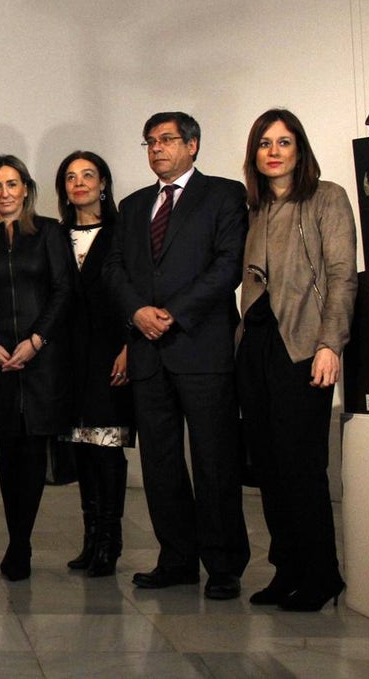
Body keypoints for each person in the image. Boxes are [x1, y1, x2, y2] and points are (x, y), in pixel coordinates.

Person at [103, 111, 250, 601]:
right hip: (148, 352)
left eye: (166, 139)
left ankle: (224, 564)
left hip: (202, 348)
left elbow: (228, 265)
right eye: (149, 141)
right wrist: (138, 312)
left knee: (214, 461)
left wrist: (170, 312)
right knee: (161, 462)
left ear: (193, 144)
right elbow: (115, 268)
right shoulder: (133, 204)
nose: (156, 149)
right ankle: (177, 559)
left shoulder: (225, 195)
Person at [235, 109, 357, 611]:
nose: (274, 151)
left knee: (301, 465)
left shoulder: (326, 197)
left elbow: (343, 275)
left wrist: (331, 344)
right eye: (265, 143)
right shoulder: (255, 208)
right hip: (256, 345)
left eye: (284, 142)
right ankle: (286, 570)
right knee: (267, 464)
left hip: (303, 345)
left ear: (300, 149)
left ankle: (322, 575)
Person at [0, 155, 73, 581]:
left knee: (33, 450)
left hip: (41, 358)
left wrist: (36, 341)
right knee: (9, 454)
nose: (4, 193)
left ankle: (20, 542)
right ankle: (17, 540)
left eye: (12, 184)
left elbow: (63, 291)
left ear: (26, 188)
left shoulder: (49, 233)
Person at [54, 151, 134, 577]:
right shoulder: (55, 234)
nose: (79, 182)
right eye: (70, 176)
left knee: (107, 450)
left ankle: (110, 542)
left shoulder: (124, 231)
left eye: (88, 175)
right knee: (82, 450)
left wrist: (129, 346)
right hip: (69, 361)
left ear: (103, 182)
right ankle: (89, 540)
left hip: (111, 356)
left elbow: (137, 291)